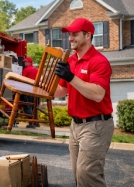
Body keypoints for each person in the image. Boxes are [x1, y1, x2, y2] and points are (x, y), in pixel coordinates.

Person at [54, 18, 114, 187]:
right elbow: (61, 90)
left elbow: (97, 94)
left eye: (75, 34)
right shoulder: (71, 61)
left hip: (96, 125)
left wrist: (70, 77)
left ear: (88, 36)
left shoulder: (99, 61)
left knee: (87, 174)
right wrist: (35, 91)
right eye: (69, 35)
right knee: (79, 175)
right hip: (76, 125)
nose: (70, 38)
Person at [21, 56, 39, 128]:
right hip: (36, 91)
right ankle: (36, 122)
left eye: (25, 62)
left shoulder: (25, 70)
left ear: (29, 62)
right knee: (35, 106)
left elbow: (22, 80)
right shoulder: (37, 70)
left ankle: (31, 123)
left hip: (27, 90)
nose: (24, 63)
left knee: (27, 106)